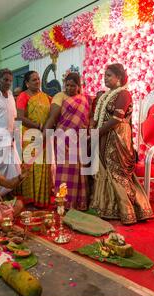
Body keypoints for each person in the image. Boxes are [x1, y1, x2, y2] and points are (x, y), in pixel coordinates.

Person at [90, 64, 153, 225]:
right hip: (105, 134)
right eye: (105, 75)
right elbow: (98, 116)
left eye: (109, 75)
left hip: (117, 136)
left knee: (117, 172)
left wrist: (97, 133)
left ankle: (129, 210)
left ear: (119, 78)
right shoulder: (106, 95)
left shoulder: (124, 94)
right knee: (105, 170)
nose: (105, 77)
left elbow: (116, 119)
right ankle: (108, 208)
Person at [43, 73, 90, 210]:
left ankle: (77, 203)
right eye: (67, 85)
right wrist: (43, 137)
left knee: (78, 171)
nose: (69, 88)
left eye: (73, 85)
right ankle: (63, 202)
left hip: (79, 139)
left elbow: (88, 118)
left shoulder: (84, 99)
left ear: (79, 86)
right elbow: (52, 118)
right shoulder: (60, 96)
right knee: (64, 171)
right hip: (63, 138)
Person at [16, 71, 52, 208]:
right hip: (30, 135)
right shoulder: (22, 96)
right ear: (27, 83)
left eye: (38, 79)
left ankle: (41, 200)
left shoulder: (46, 97)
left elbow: (52, 114)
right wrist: (38, 126)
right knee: (31, 167)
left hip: (44, 136)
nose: (37, 81)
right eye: (33, 80)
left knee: (43, 166)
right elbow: (20, 117)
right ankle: (29, 200)